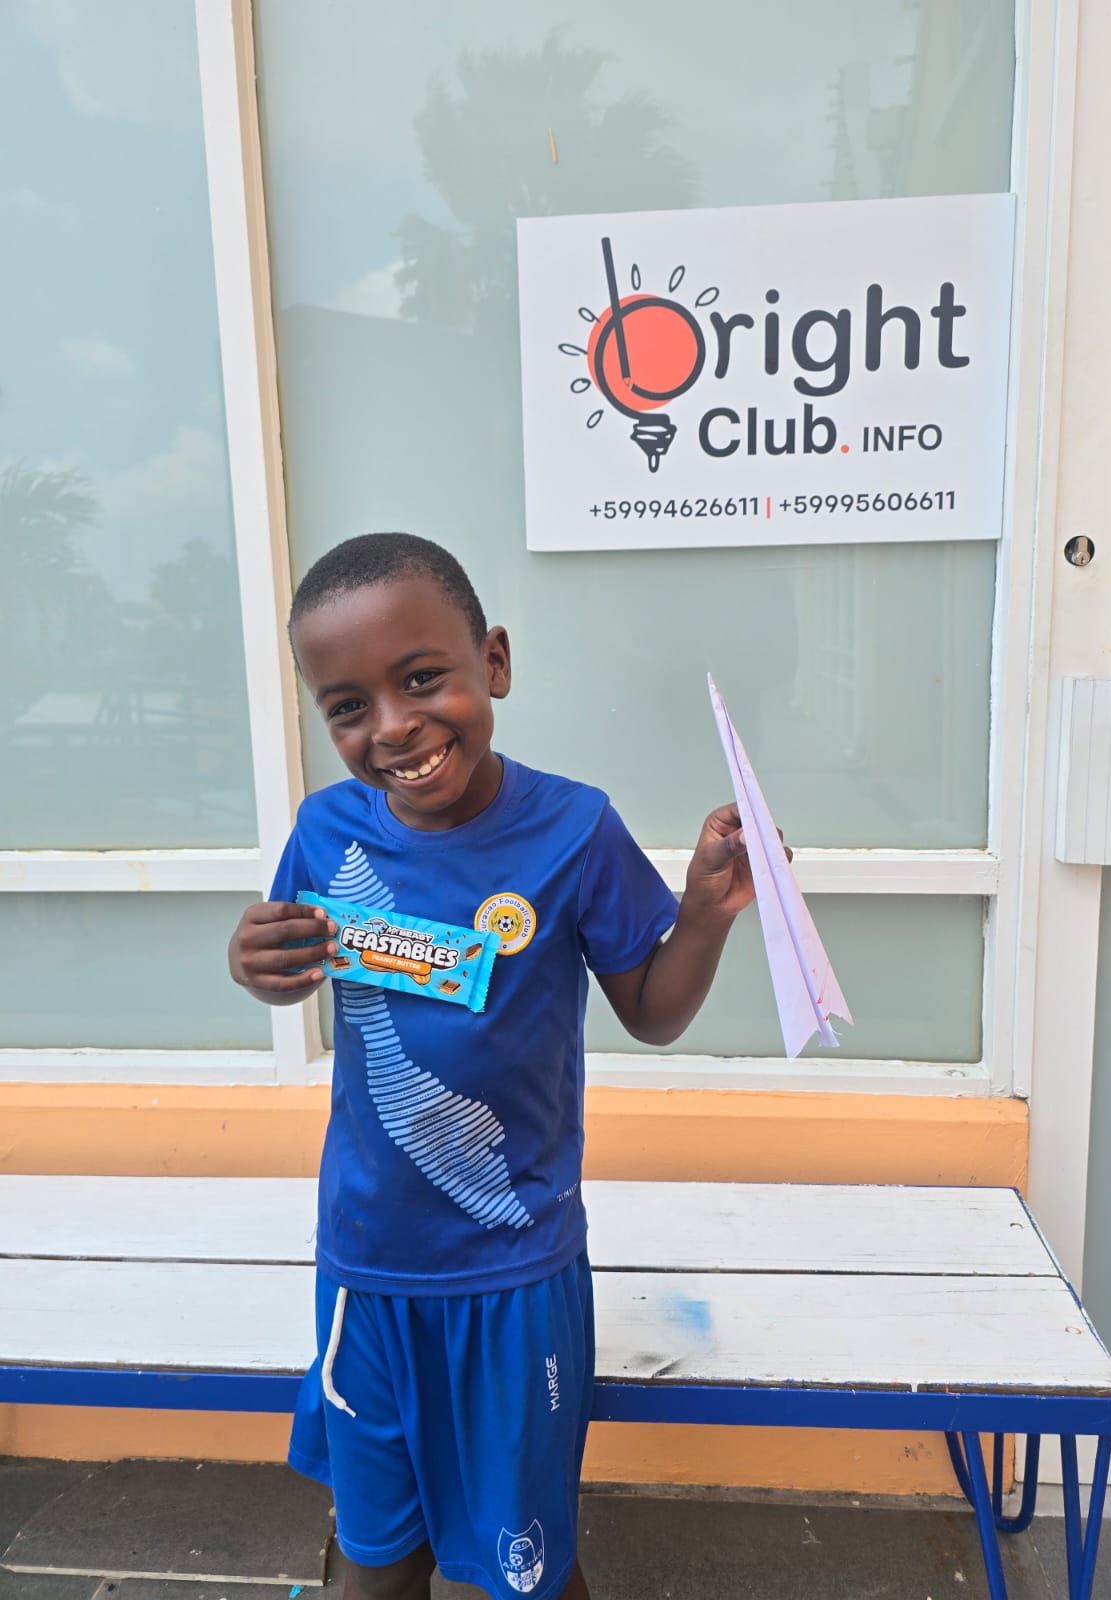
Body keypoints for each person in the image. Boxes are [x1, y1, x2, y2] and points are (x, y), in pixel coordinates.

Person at [228, 532, 769, 1600]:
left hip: (513, 1278)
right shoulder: (326, 829)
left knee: (526, 1573)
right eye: (348, 705)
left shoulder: (574, 828)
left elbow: (651, 1011)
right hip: (366, 1271)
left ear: (496, 664)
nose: (393, 726)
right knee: (376, 1565)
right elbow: (293, 965)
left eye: (422, 678)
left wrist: (705, 912)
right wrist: (257, 968)